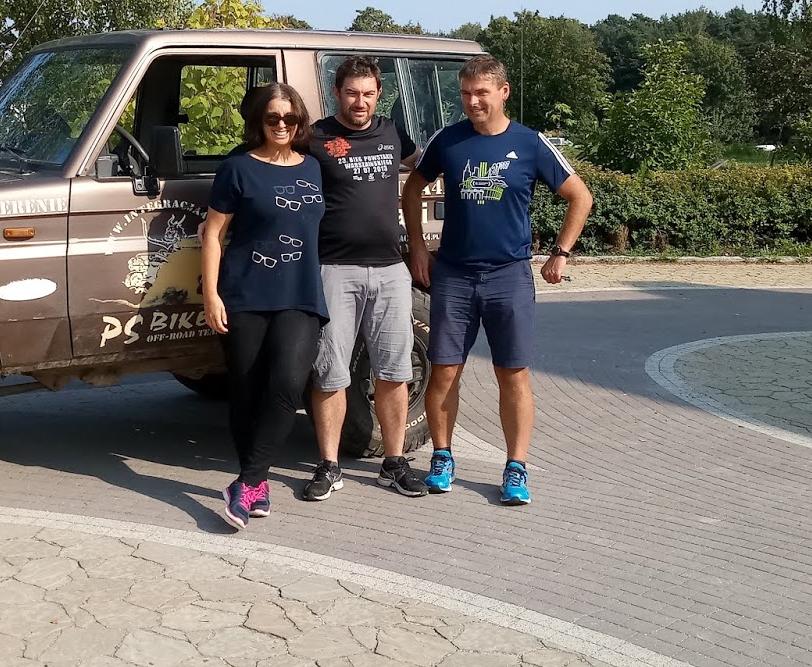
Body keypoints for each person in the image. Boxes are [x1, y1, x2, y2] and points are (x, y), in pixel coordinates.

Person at [400, 54, 593, 506]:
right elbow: (411, 189)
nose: (473, 102)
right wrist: (418, 247)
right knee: (444, 371)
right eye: (466, 94)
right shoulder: (449, 140)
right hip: (454, 276)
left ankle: (515, 467)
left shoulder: (530, 143)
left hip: (509, 276)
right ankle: (442, 457)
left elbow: (580, 196)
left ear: (503, 92)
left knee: (513, 374)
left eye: (482, 93)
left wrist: (560, 253)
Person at [299, 56, 429, 501]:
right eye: (352, 93)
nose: (360, 102)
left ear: (379, 94)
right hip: (334, 269)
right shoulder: (315, 137)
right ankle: (328, 465)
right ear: (337, 93)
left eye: (369, 94)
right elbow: (271, 162)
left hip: (390, 270)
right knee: (330, 371)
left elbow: (426, 166)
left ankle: (394, 463)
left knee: (394, 370)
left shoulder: (392, 132)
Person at [201, 83, 327, 529]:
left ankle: (249, 481)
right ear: (259, 120)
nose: (281, 125)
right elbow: (213, 233)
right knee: (247, 391)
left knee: (288, 385)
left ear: (300, 122)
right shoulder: (237, 168)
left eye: (290, 118)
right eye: (273, 117)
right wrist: (211, 294)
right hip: (245, 294)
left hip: (300, 293)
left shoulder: (313, 167)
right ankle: (255, 485)